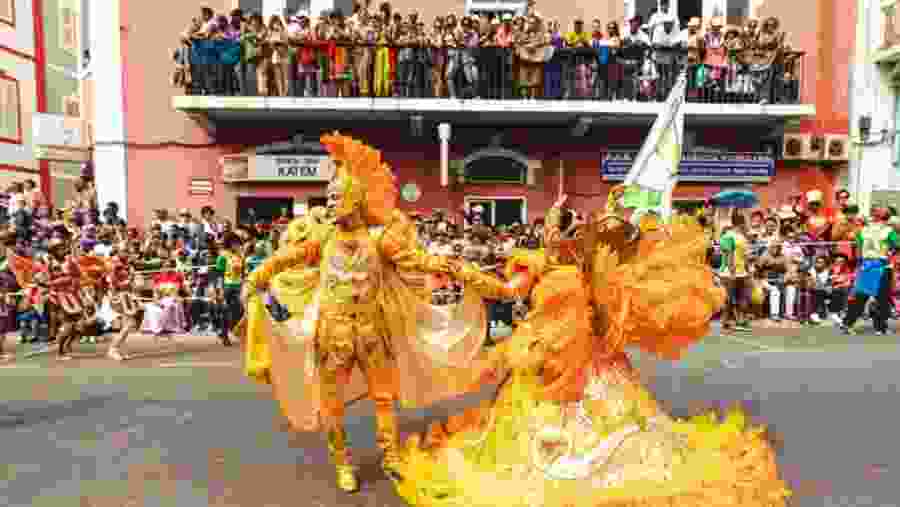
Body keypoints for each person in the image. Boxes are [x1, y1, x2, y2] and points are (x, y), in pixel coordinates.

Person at [391, 192, 787, 507]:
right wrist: (461, 271)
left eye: (557, 229)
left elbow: (613, 309)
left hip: (589, 366)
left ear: (571, 239)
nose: (550, 235)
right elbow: (505, 291)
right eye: (548, 228)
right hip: (542, 360)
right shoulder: (538, 266)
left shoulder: (594, 272)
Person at [239, 133, 487, 493]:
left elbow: (421, 260)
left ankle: (389, 457)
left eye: (335, 197)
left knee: (384, 399)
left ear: (353, 200)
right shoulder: (323, 238)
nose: (329, 203)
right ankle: (342, 463)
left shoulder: (380, 241)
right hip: (331, 334)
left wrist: (464, 272)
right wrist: (256, 276)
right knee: (331, 403)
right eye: (329, 197)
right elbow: (285, 258)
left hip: (373, 332)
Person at [841, 207, 898, 335]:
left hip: (866, 266)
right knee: (882, 298)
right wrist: (891, 252)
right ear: (887, 218)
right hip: (882, 266)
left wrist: (860, 262)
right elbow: (897, 244)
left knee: (861, 296)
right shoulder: (888, 230)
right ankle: (880, 328)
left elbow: (857, 247)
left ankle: (847, 323)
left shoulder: (863, 230)